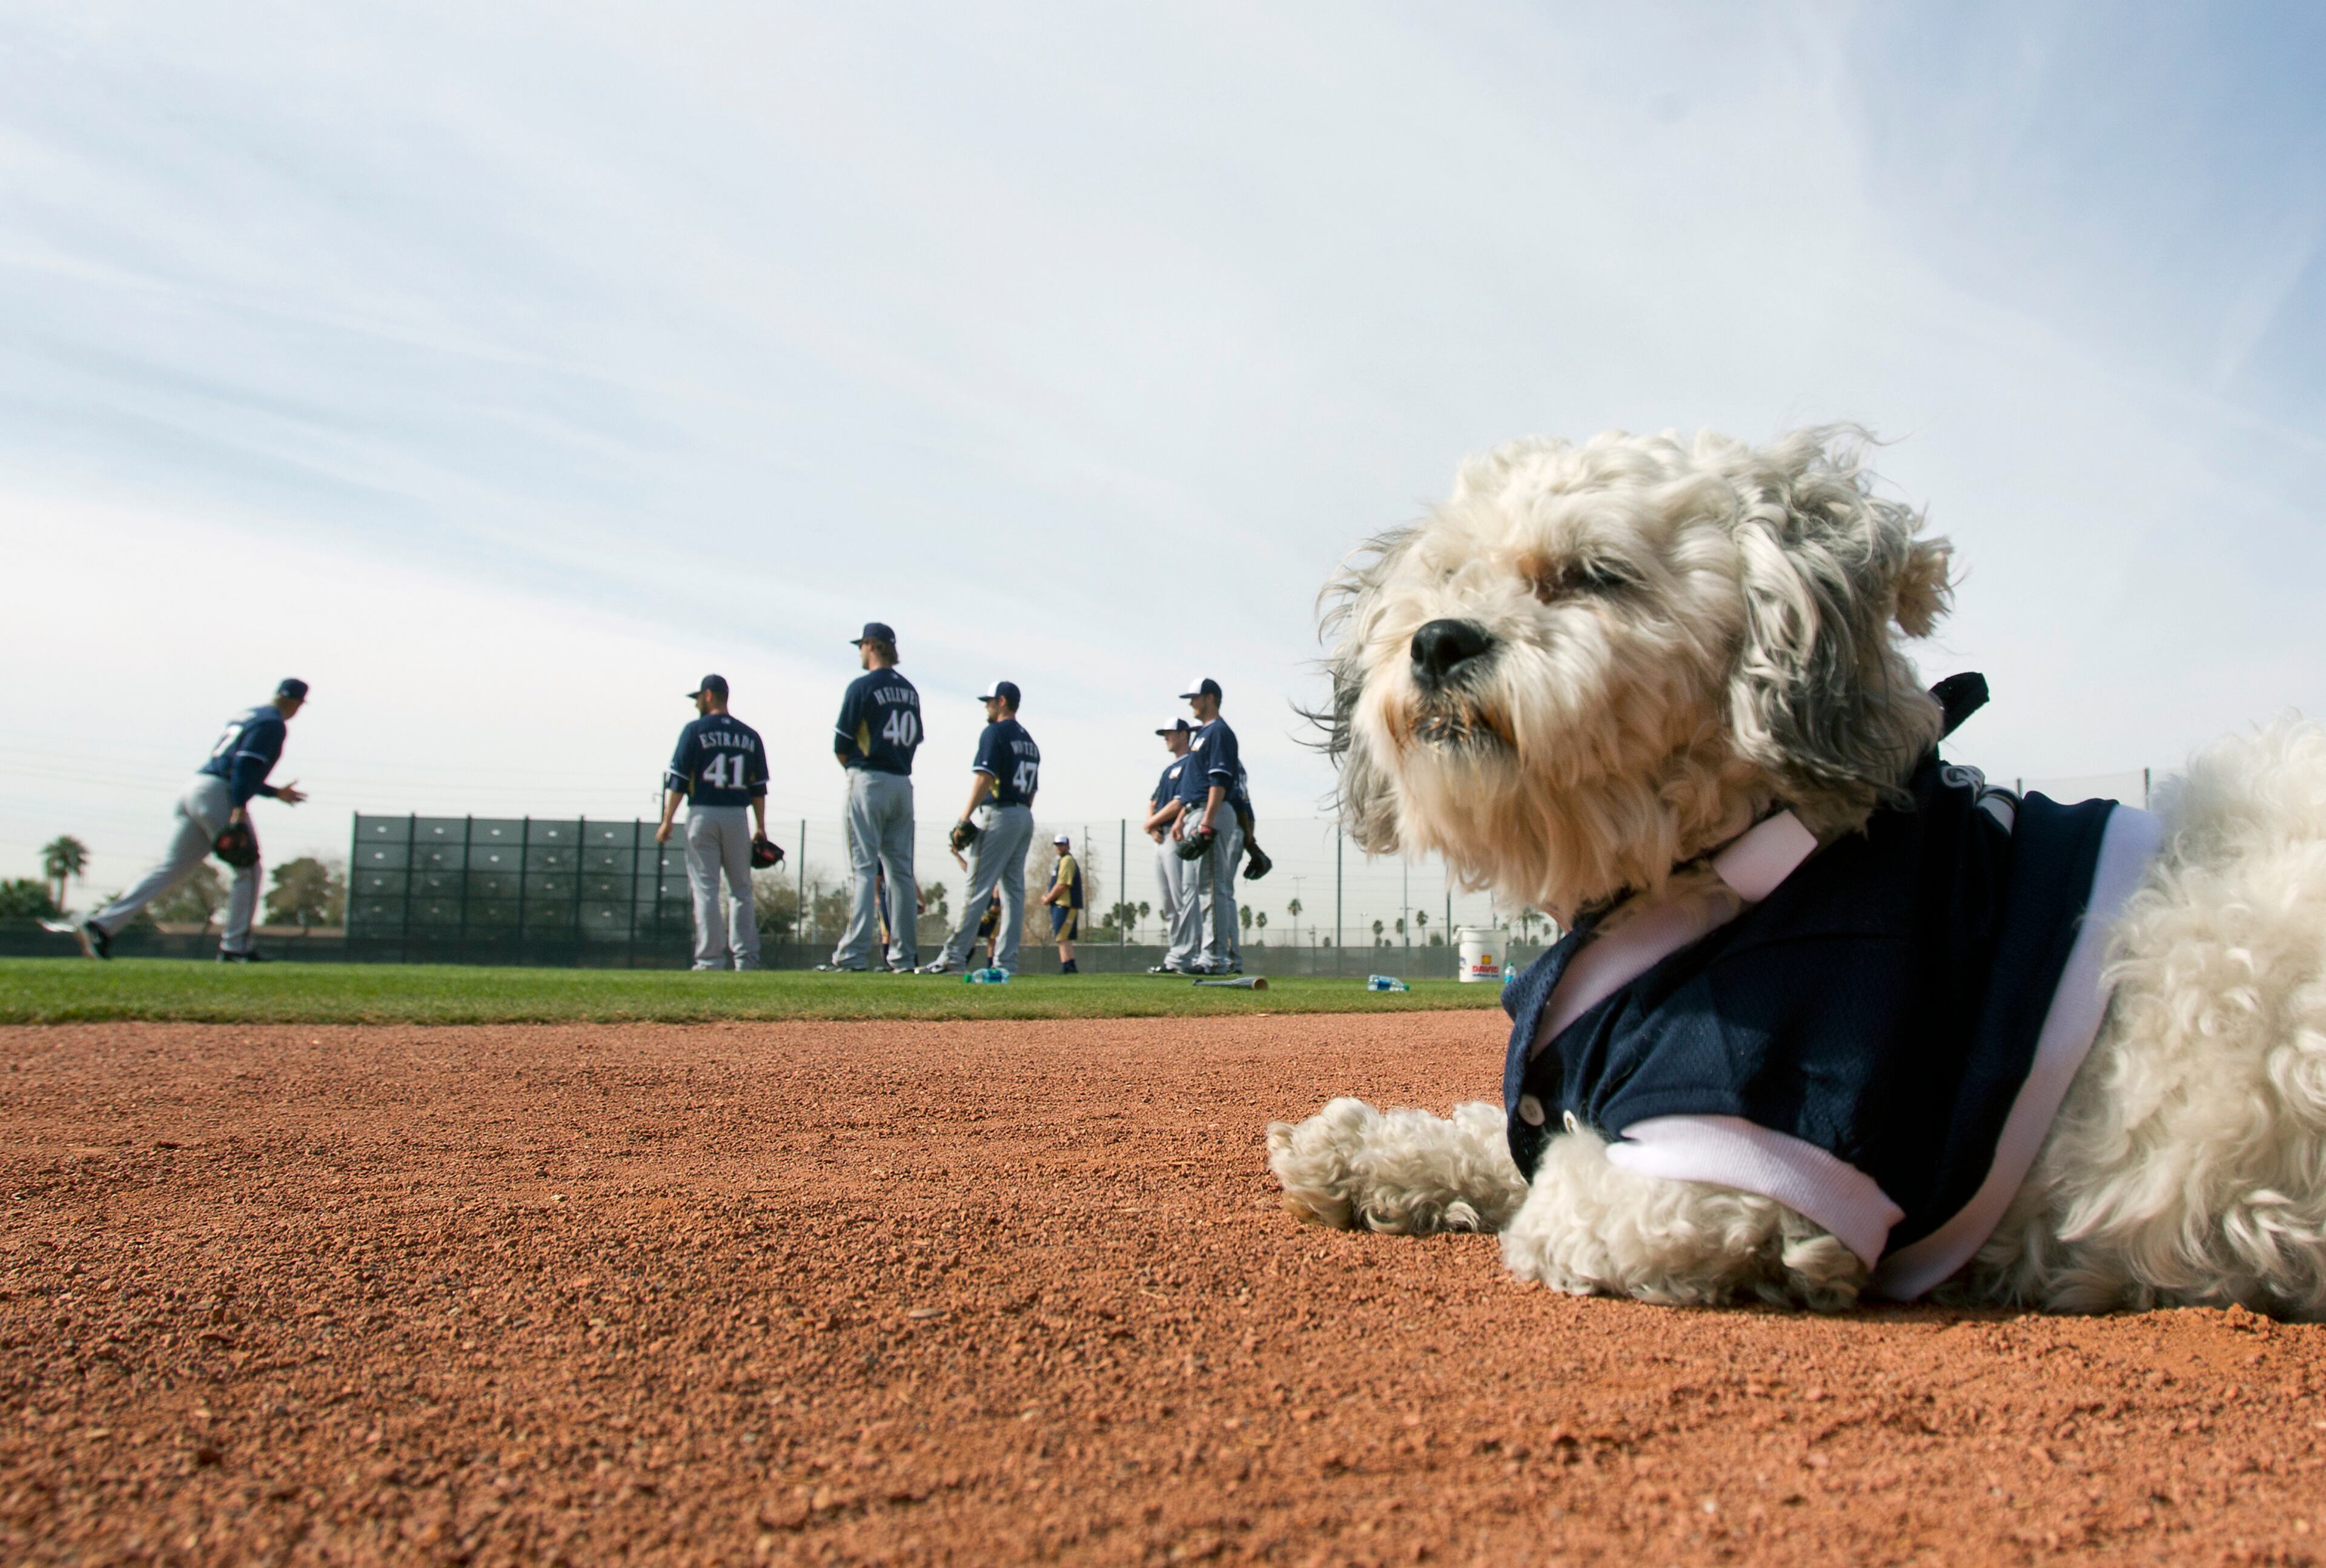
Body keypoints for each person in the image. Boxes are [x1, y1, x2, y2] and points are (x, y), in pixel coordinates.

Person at [67, 679, 311, 962]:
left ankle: (101, 925)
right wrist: (240, 808)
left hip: (195, 788)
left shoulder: (251, 715)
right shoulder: (273, 724)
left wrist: (274, 792)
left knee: (170, 868)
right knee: (249, 869)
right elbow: (245, 766)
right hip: (219, 792)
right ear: (296, 703)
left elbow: (236, 765)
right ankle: (235, 948)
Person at [821, 621, 923, 972]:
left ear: (870, 645)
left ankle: (851, 955)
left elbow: (841, 745)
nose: (859, 653)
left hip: (869, 778)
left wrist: (858, 773)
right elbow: (914, 742)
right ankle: (904, 957)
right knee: (901, 873)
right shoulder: (910, 691)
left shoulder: (862, 686)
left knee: (864, 869)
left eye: (861, 646)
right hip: (902, 783)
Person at [920, 680, 1040, 975]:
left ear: (1001, 701)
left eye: (989, 701)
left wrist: (964, 818)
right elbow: (1033, 790)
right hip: (1024, 815)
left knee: (977, 888)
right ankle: (1006, 964)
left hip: (999, 813)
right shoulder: (1030, 742)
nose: (986, 707)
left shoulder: (995, 732)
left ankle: (953, 958)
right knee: (1013, 893)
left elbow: (984, 777)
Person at [655, 674, 769, 972]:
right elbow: (758, 788)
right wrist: (761, 826)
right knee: (741, 890)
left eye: (698, 699)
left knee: (706, 888)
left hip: (703, 813)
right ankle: (746, 960)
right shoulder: (750, 735)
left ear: (708, 695)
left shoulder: (694, 731)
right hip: (737, 816)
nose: (696, 704)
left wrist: (667, 820)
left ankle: (709, 960)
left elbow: (678, 780)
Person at [1168, 676, 1243, 974]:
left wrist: (1208, 822)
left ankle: (1214, 958)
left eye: (1195, 698)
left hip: (1210, 813)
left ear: (1209, 698)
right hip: (1196, 812)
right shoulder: (1203, 734)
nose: (1191, 703)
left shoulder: (1219, 732)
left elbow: (1219, 781)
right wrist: (1182, 817)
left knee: (1212, 888)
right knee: (1203, 888)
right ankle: (1210, 955)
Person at [1143, 718, 1196, 973]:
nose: (1166, 737)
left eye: (1170, 733)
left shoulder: (1190, 763)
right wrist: (1151, 824)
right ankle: (1177, 953)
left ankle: (1189, 955)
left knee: (1181, 898)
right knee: (1168, 902)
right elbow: (1153, 801)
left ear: (1184, 734)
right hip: (1161, 836)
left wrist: (1150, 823)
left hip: (1178, 835)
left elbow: (1179, 803)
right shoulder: (1169, 770)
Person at [1042, 832, 1084, 973]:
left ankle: (1068, 966)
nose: (1059, 847)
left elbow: (1063, 885)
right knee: (1062, 938)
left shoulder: (1067, 861)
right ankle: (1069, 965)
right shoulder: (1062, 861)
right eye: (1057, 845)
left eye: (1062, 845)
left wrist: (1048, 898)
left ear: (1068, 846)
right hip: (1060, 904)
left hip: (1065, 904)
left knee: (1062, 937)